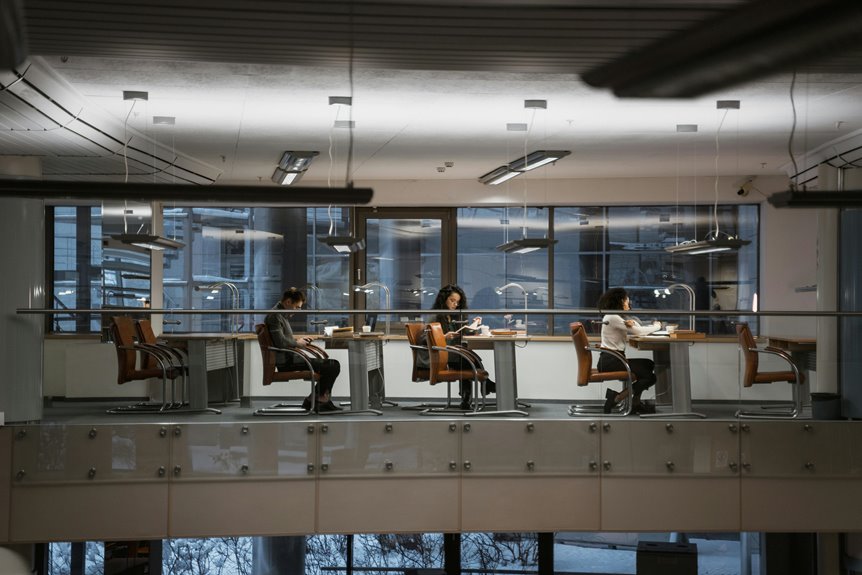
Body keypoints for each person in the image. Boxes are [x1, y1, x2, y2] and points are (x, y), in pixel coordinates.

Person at [265, 287, 342, 412]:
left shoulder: (280, 315)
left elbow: (282, 339)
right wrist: (297, 343)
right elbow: (280, 342)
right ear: (288, 302)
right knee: (333, 365)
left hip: (291, 358)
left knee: (332, 365)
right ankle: (318, 400)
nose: (297, 311)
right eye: (297, 307)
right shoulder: (275, 316)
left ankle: (315, 399)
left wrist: (298, 340)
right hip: (287, 361)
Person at [421, 284, 496, 410]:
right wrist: (444, 337)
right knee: (466, 358)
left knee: (468, 357)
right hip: (439, 355)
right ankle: (484, 386)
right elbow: (425, 339)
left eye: (457, 302)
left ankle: (468, 396)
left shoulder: (453, 316)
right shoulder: (434, 316)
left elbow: (463, 333)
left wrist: (474, 325)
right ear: (443, 299)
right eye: (452, 300)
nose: (455, 304)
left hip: (452, 353)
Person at [596, 287, 661, 414]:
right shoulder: (612, 317)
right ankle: (618, 398)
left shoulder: (614, 317)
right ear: (620, 301)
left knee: (649, 364)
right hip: (611, 361)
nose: (629, 303)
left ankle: (633, 402)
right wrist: (657, 326)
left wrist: (633, 323)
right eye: (627, 300)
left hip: (613, 359)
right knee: (650, 377)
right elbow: (639, 331)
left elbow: (636, 327)